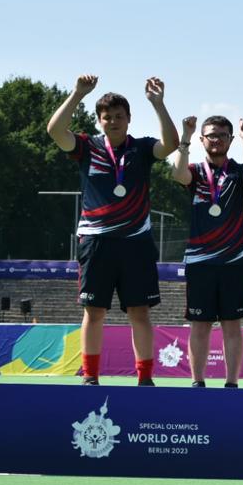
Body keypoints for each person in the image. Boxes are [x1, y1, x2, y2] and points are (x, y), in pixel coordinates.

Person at [46, 74, 179, 385]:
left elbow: (171, 143)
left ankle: (145, 378)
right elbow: (54, 130)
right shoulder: (86, 147)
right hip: (96, 243)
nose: (114, 122)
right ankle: (90, 377)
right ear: (99, 121)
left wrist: (158, 104)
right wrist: (78, 93)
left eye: (120, 117)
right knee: (94, 312)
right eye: (108, 117)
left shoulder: (142, 149)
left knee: (140, 313)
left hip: (135, 243)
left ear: (129, 119)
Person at [171, 115, 243, 388]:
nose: (217, 139)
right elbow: (177, 173)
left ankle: (231, 383)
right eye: (211, 135)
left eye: (222, 135)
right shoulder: (196, 171)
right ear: (202, 140)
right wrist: (185, 137)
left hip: (234, 261)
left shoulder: (237, 171)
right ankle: (198, 382)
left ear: (230, 140)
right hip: (200, 261)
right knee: (200, 324)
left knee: (232, 325)